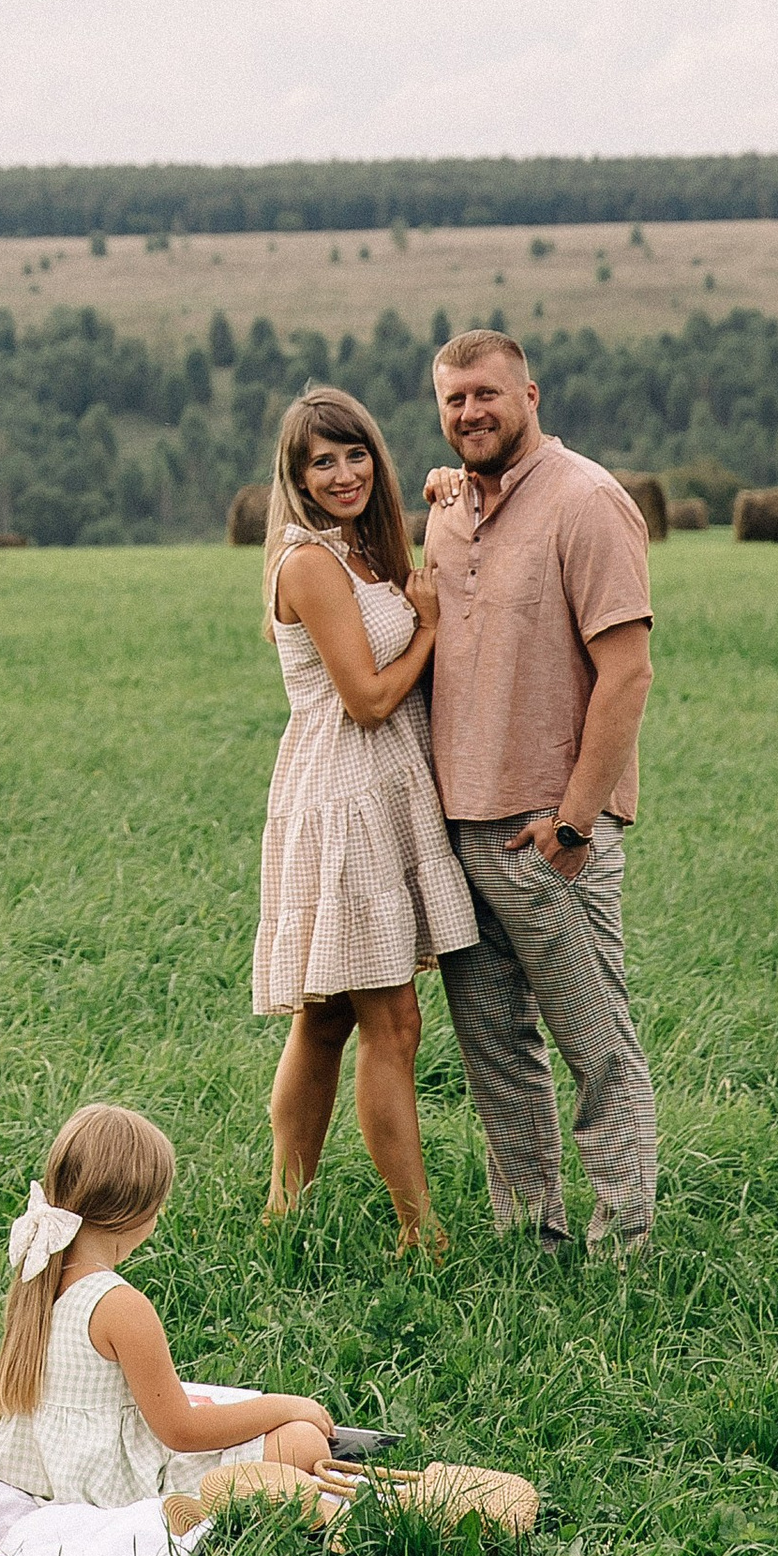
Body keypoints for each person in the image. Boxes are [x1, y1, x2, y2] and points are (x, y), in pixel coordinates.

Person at [422, 330, 658, 1254]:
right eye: (453, 400)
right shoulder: (448, 511)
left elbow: (627, 672)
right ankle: (531, 1240)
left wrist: (576, 822)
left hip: (549, 833)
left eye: (486, 393)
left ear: (530, 395)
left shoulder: (587, 500)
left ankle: (624, 1247)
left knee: (598, 1048)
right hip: (462, 829)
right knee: (497, 1056)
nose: (470, 412)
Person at [255, 385, 479, 1249]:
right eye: (323, 461)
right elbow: (369, 699)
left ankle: (283, 1213)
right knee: (394, 1023)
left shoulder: (358, 548)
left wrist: (448, 491)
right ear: (297, 476)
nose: (344, 474)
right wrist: (428, 628)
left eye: (356, 455)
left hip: (376, 793)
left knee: (326, 1019)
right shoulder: (309, 563)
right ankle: (421, 1233)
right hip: (345, 799)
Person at [0, 1103, 336, 1508]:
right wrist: (282, 1406)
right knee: (303, 1441)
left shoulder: (41, 1274)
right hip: (114, 1482)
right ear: (137, 1213)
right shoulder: (118, 1305)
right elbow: (182, 1431)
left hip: (52, 1468)